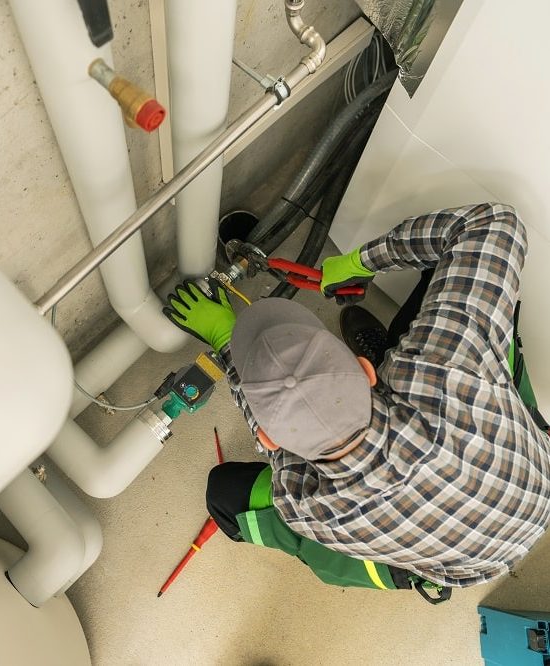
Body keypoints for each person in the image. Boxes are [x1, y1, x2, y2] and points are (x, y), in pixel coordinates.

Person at [163, 203, 550, 602]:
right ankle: (395, 341)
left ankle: (413, 577)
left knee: (224, 495)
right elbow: (494, 223)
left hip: (449, 553)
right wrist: (363, 261)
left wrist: (225, 337)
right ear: (366, 370)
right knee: (454, 281)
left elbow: (273, 439)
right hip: (533, 483)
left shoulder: (306, 508)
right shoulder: (443, 368)